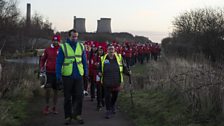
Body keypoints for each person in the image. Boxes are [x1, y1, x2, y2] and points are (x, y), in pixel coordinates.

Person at [56, 29, 88, 125]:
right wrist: (58, 76)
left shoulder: (81, 46)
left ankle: (77, 114)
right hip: (67, 76)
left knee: (79, 96)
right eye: (73, 36)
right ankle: (68, 116)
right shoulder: (63, 47)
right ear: (69, 36)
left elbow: (84, 61)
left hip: (78, 75)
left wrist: (86, 73)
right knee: (67, 98)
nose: (75, 38)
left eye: (76, 36)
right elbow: (59, 63)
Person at [98, 44, 131, 119]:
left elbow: (124, 67)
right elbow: (99, 68)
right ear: (107, 50)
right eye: (109, 49)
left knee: (115, 96)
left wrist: (128, 73)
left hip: (117, 81)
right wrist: (99, 72)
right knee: (107, 96)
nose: (111, 50)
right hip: (106, 81)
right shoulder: (103, 58)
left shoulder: (119, 57)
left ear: (114, 50)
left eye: (112, 49)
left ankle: (112, 105)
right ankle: (108, 110)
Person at [40, 35, 60, 115]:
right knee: (48, 89)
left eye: (57, 41)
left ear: (59, 41)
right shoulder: (47, 50)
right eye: (54, 40)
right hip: (49, 72)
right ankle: (47, 106)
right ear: (52, 41)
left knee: (56, 91)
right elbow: (43, 59)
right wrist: (41, 67)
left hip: (58, 73)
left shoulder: (61, 49)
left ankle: (54, 107)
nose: (55, 42)